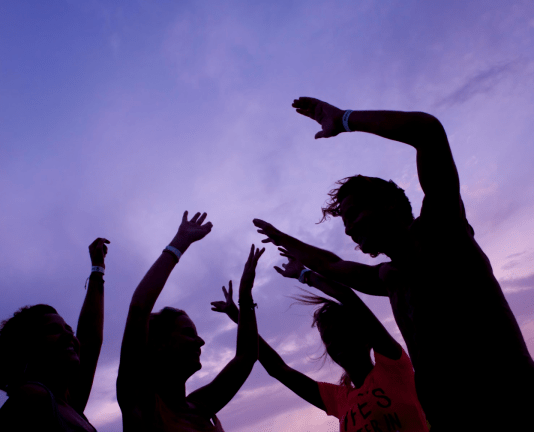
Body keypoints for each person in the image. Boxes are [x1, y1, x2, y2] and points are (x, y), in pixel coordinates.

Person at [253, 96, 534, 429]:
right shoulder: (390, 277)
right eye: (345, 222)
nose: (350, 228)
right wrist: (288, 245)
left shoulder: (443, 231)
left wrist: (344, 119)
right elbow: (333, 265)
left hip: (514, 408)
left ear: (389, 205)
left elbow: (428, 131)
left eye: (354, 214)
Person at [212, 251, 429, 432]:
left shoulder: (393, 367)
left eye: (342, 334)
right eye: (328, 339)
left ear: (365, 338)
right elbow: (278, 368)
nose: (334, 343)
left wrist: (304, 274)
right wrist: (239, 315)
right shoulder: (338, 398)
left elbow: (347, 297)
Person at [117, 212, 261, 431]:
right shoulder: (142, 403)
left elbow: (247, 356)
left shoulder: (201, 406)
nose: (200, 342)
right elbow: (139, 310)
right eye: (188, 333)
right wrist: (179, 244)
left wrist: (245, 296)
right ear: (158, 343)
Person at [0, 238, 110, 432]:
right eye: (53, 330)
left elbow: (89, 339)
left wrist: (98, 269)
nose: (68, 336)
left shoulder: (68, 404)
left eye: (69, 330)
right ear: (25, 347)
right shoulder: (33, 398)